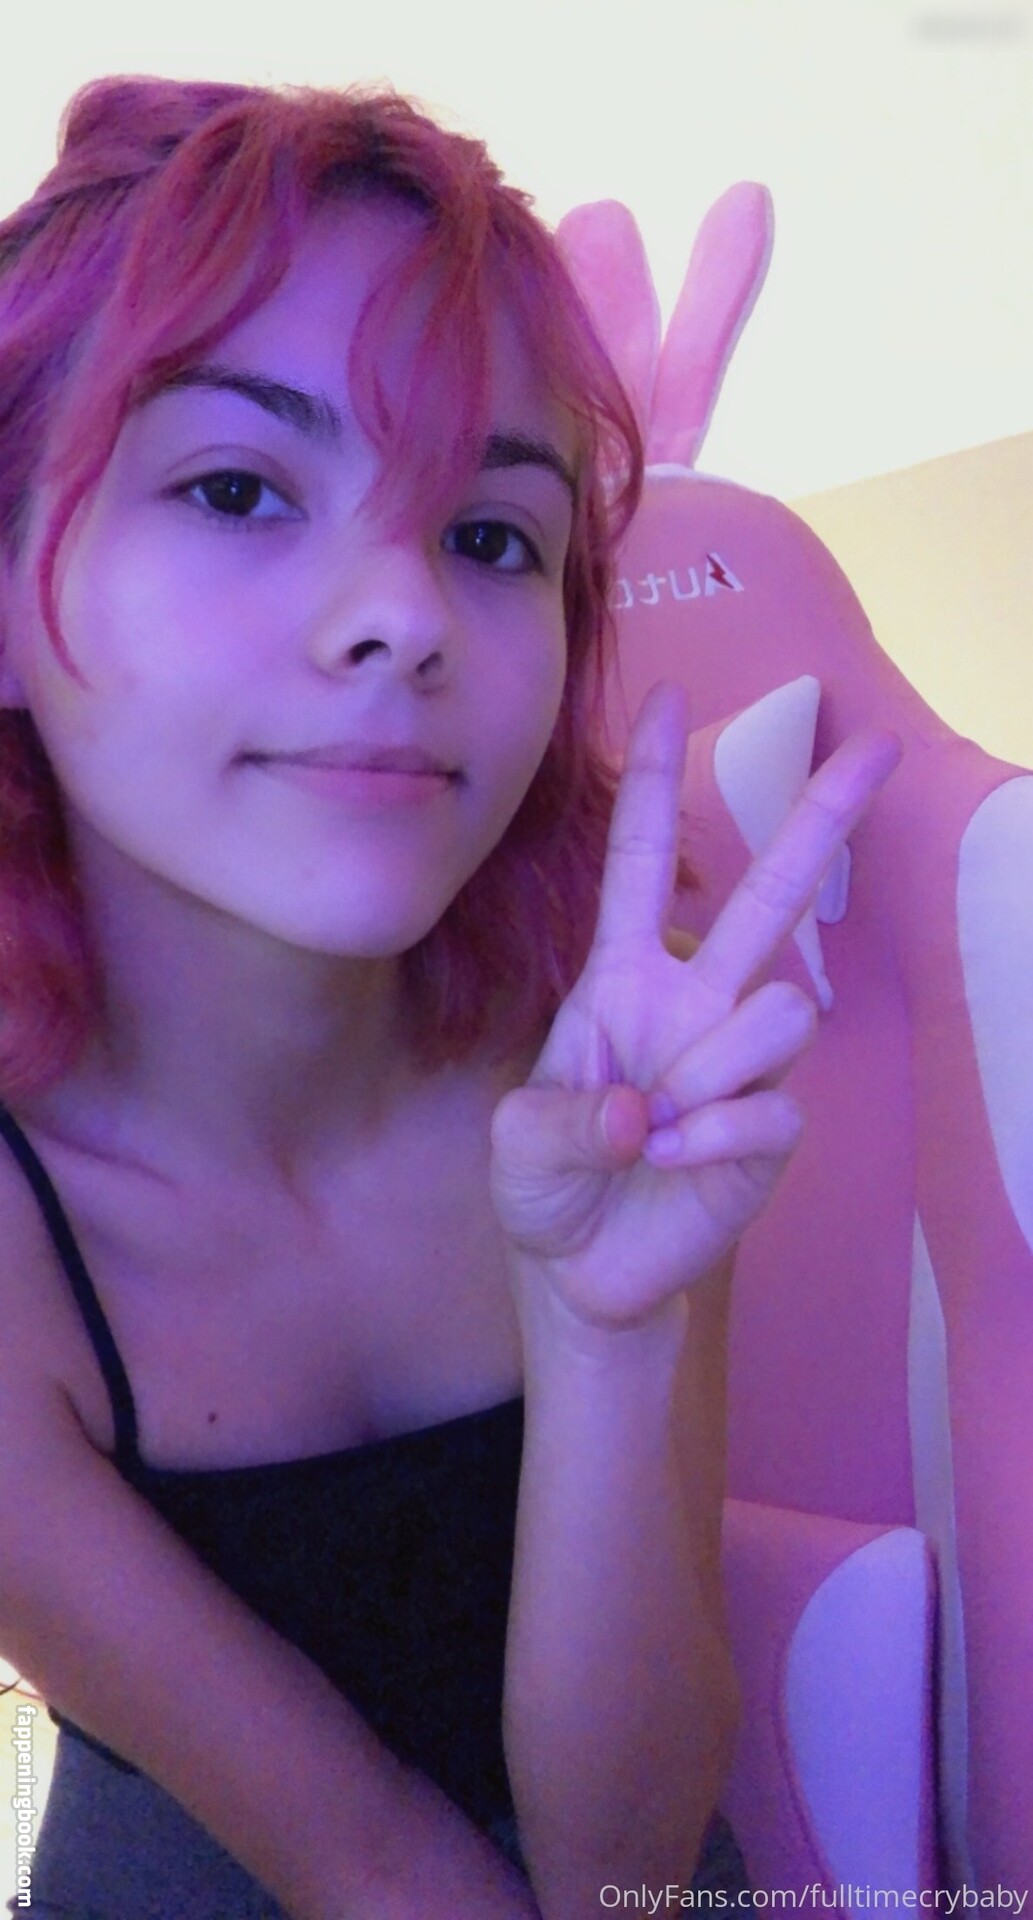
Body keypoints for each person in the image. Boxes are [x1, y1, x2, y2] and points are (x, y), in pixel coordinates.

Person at [0, 75, 899, 1919]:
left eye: (491, 537)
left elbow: (628, 1858)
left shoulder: (602, 1081)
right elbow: (372, 1868)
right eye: (237, 487)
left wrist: (607, 1330)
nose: (404, 615)